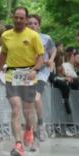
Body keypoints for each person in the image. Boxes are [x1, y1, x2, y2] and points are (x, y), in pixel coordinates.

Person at [0, 7, 46, 156]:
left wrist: (35, 70)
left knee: (28, 111)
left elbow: (41, 56)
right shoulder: (6, 36)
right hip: (11, 76)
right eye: (16, 17)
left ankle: (32, 133)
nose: (19, 20)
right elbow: (3, 56)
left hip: (28, 75)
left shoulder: (33, 36)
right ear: (13, 18)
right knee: (16, 108)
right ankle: (19, 145)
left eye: (22, 18)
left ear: (26, 19)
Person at [26, 14, 57, 143]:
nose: (32, 25)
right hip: (27, 72)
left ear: (39, 25)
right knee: (28, 103)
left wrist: (50, 59)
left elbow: (53, 49)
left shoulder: (46, 38)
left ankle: (41, 124)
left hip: (42, 72)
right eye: (30, 23)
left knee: (36, 98)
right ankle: (32, 130)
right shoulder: (24, 38)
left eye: (35, 23)